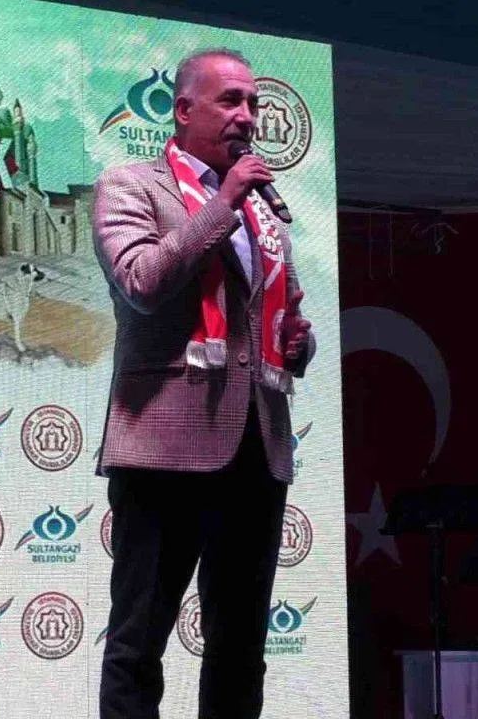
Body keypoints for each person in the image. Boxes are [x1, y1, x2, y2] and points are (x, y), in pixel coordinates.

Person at [93, 48, 314, 719]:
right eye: (230, 101)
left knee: (240, 647)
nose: (247, 116)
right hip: (164, 451)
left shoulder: (264, 213)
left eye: (253, 103)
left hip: (255, 449)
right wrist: (223, 202)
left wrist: (297, 346)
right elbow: (142, 284)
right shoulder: (133, 185)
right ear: (184, 110)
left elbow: (269, 321)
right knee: (138, 643)